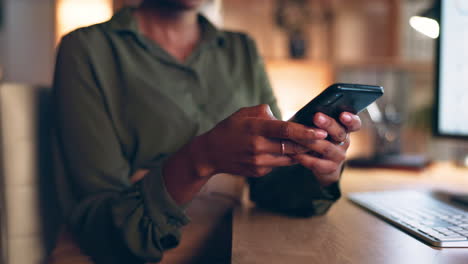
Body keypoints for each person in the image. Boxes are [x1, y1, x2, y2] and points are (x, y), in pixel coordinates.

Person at [51, 0, 362, 263]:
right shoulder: (87, 49)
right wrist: (202, 157)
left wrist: (319, 167)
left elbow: (269, 186)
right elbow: (100, 228)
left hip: (233, 245)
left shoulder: (241, 49)